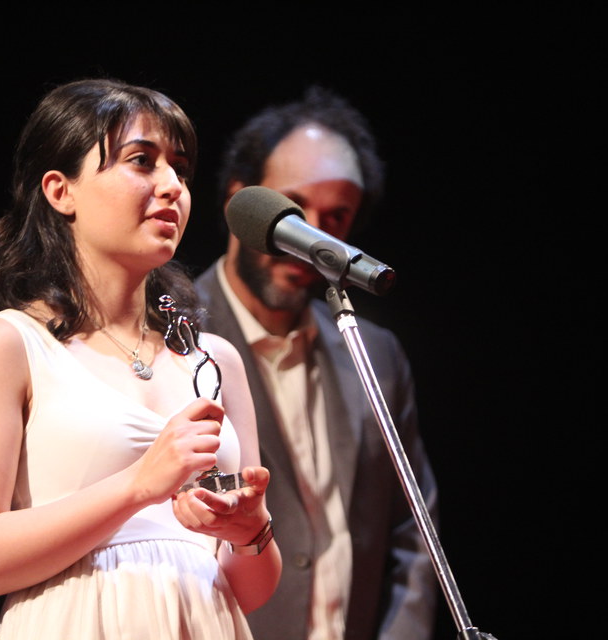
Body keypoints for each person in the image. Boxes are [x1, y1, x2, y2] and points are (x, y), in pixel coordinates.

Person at [0, 78, 282, 639]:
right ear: (59, 190)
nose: (171, 185)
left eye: (181, 170)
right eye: (142, 161)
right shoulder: (5, 344)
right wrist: (139, 485)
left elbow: (251, 591)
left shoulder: (213, 361)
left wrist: (250, 530)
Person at [193, 85, 439, 640]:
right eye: (294, 211)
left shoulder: (374, 353)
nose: (312, 238)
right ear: (243, 202)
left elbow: (413, 529)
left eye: (336, 217)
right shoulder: (172, 338)